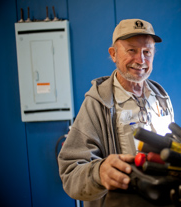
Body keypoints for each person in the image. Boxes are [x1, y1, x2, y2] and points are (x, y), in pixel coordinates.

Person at [58, 19, 174, 207]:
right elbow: (70, 172)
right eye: (131, 50)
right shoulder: (97, 104)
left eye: (147, 52)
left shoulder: (161, 97)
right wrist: (99, 172)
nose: (141, 60)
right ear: (113, 54)